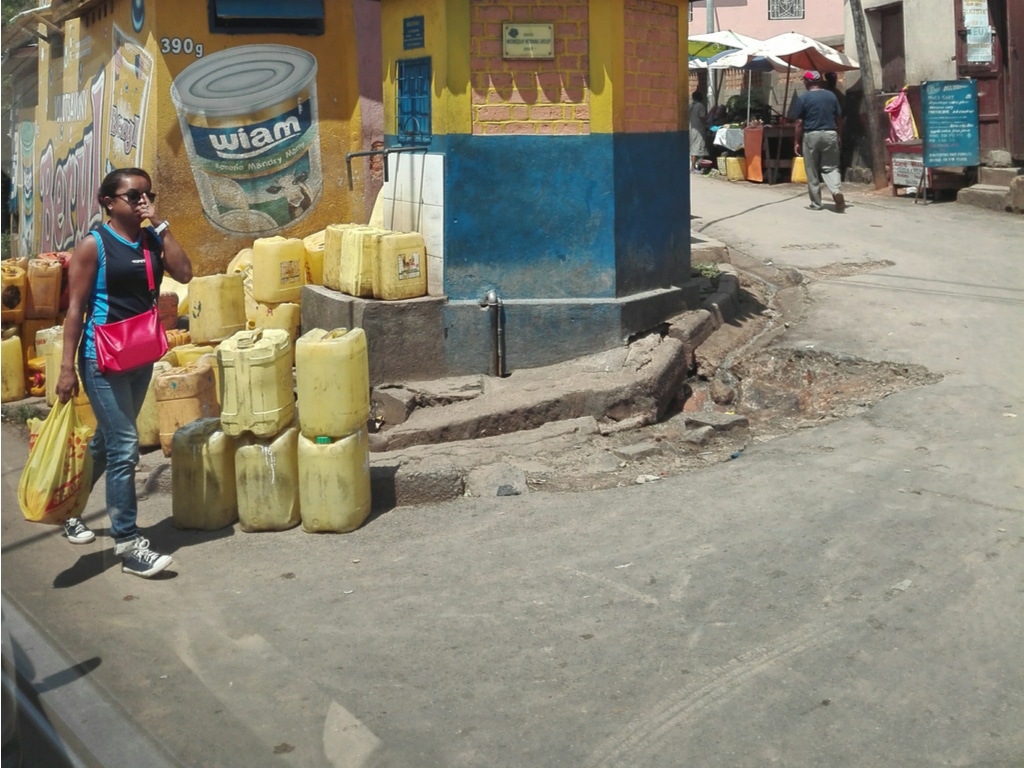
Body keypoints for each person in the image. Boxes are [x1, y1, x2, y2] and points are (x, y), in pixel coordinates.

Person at [56, 168, 192, 578]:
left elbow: (185, 273)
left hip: (140, 355)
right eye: (132, 196)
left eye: (147, 194)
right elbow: (75, 310)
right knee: (125, 446)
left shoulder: (152, 240)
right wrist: (66, 368)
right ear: (108, 202)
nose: (141, 201)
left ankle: (67, 507)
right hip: (102, 359)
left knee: (107, 442)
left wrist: (161, 226)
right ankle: (129, 544)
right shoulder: (92, 246)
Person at [789, 71, 845, 213]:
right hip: (830, 133)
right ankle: (836, 191)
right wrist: (839, 135)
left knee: (812, 170)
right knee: (831, 167)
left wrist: (796, 141)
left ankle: (816, 203)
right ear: (819, 82)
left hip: (811, 135)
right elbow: (838, 118)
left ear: (807, 82)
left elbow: (799, 122)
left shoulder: (803, 98)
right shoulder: (831, 96)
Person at [689, 90, 709, 173]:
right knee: (697, 147)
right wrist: (709, 118)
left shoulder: (690, 106)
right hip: (698, 129)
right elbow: (702, 117)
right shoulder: (700, 106)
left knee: (692, 146)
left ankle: (693, 166)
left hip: (691, 128)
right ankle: (694, 167)